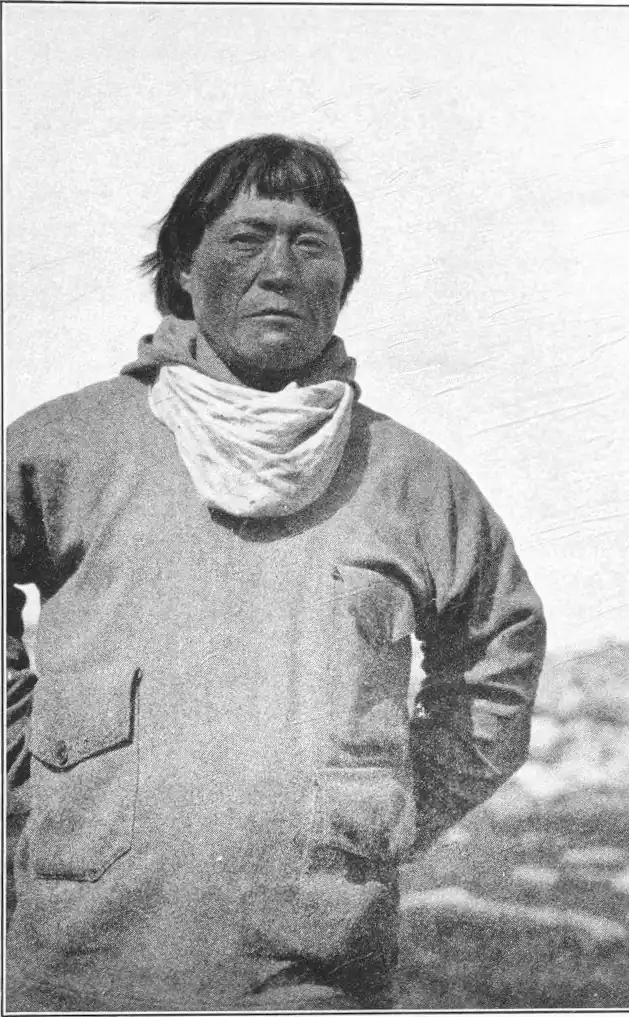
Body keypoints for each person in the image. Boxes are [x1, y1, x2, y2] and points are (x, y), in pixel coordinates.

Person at [5, 133, 546, 1012]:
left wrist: (383, 810)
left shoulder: (411, 479)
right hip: (81, 963)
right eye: (247, 239)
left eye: (311, 243)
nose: (280, 270)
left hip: (315, 972)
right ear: (184, 270)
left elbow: (499, 655)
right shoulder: (69, 446)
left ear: (345, 279)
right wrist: (25, 775)